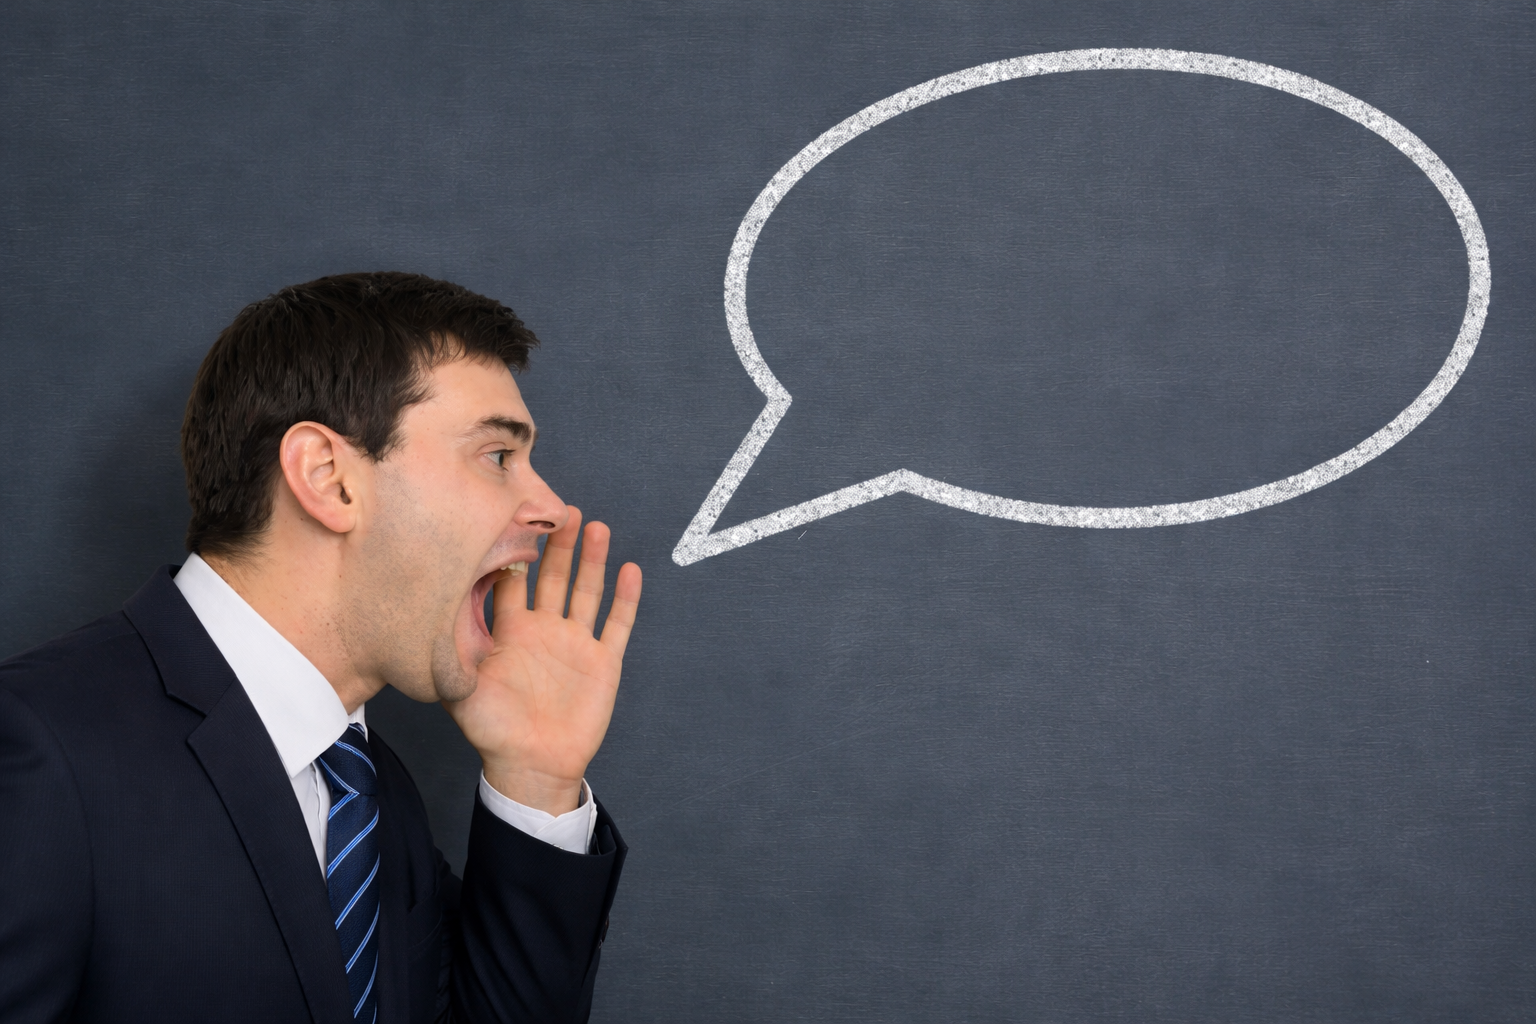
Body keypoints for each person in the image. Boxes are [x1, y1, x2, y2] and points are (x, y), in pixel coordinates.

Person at [0, 272, 643, 1023]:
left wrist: (535, 781)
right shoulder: (35, 749)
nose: (549, 508)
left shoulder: (370, 795)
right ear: (328, 478)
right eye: (498, 455)